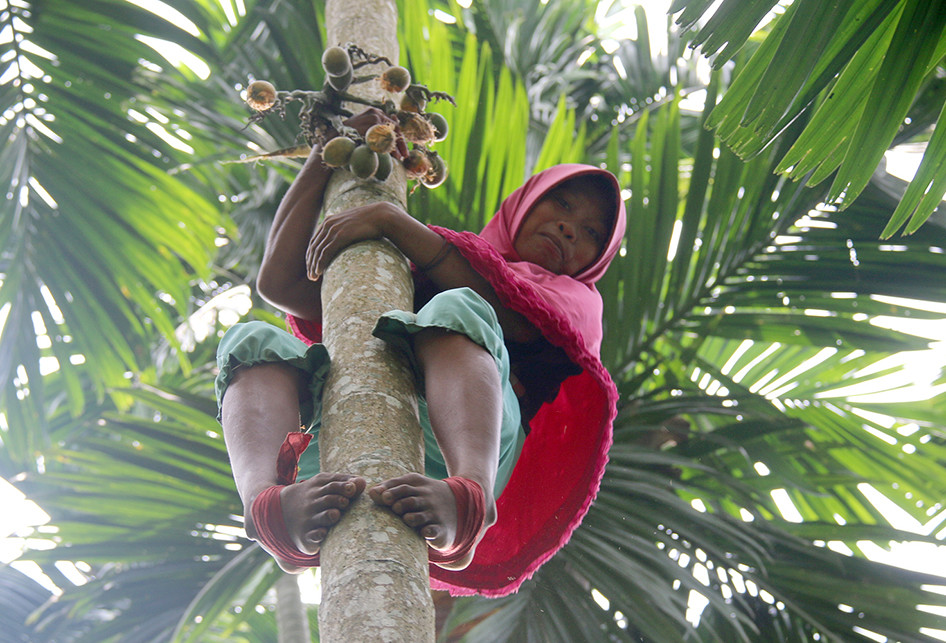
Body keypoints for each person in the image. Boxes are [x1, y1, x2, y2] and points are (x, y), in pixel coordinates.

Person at [215, 109, 626, 596]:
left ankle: (470, 500)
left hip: (461, 449)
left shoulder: (577, 300)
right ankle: (267, 506)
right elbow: (280, 283)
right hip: (342, 429)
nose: (570, 228)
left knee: (460, 305)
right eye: (561, 203)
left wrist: (390, 218)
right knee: (248, 344)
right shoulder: (410, 271)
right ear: (524, 203)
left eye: (593, 232)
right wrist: (332, 152)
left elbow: (507, 314)